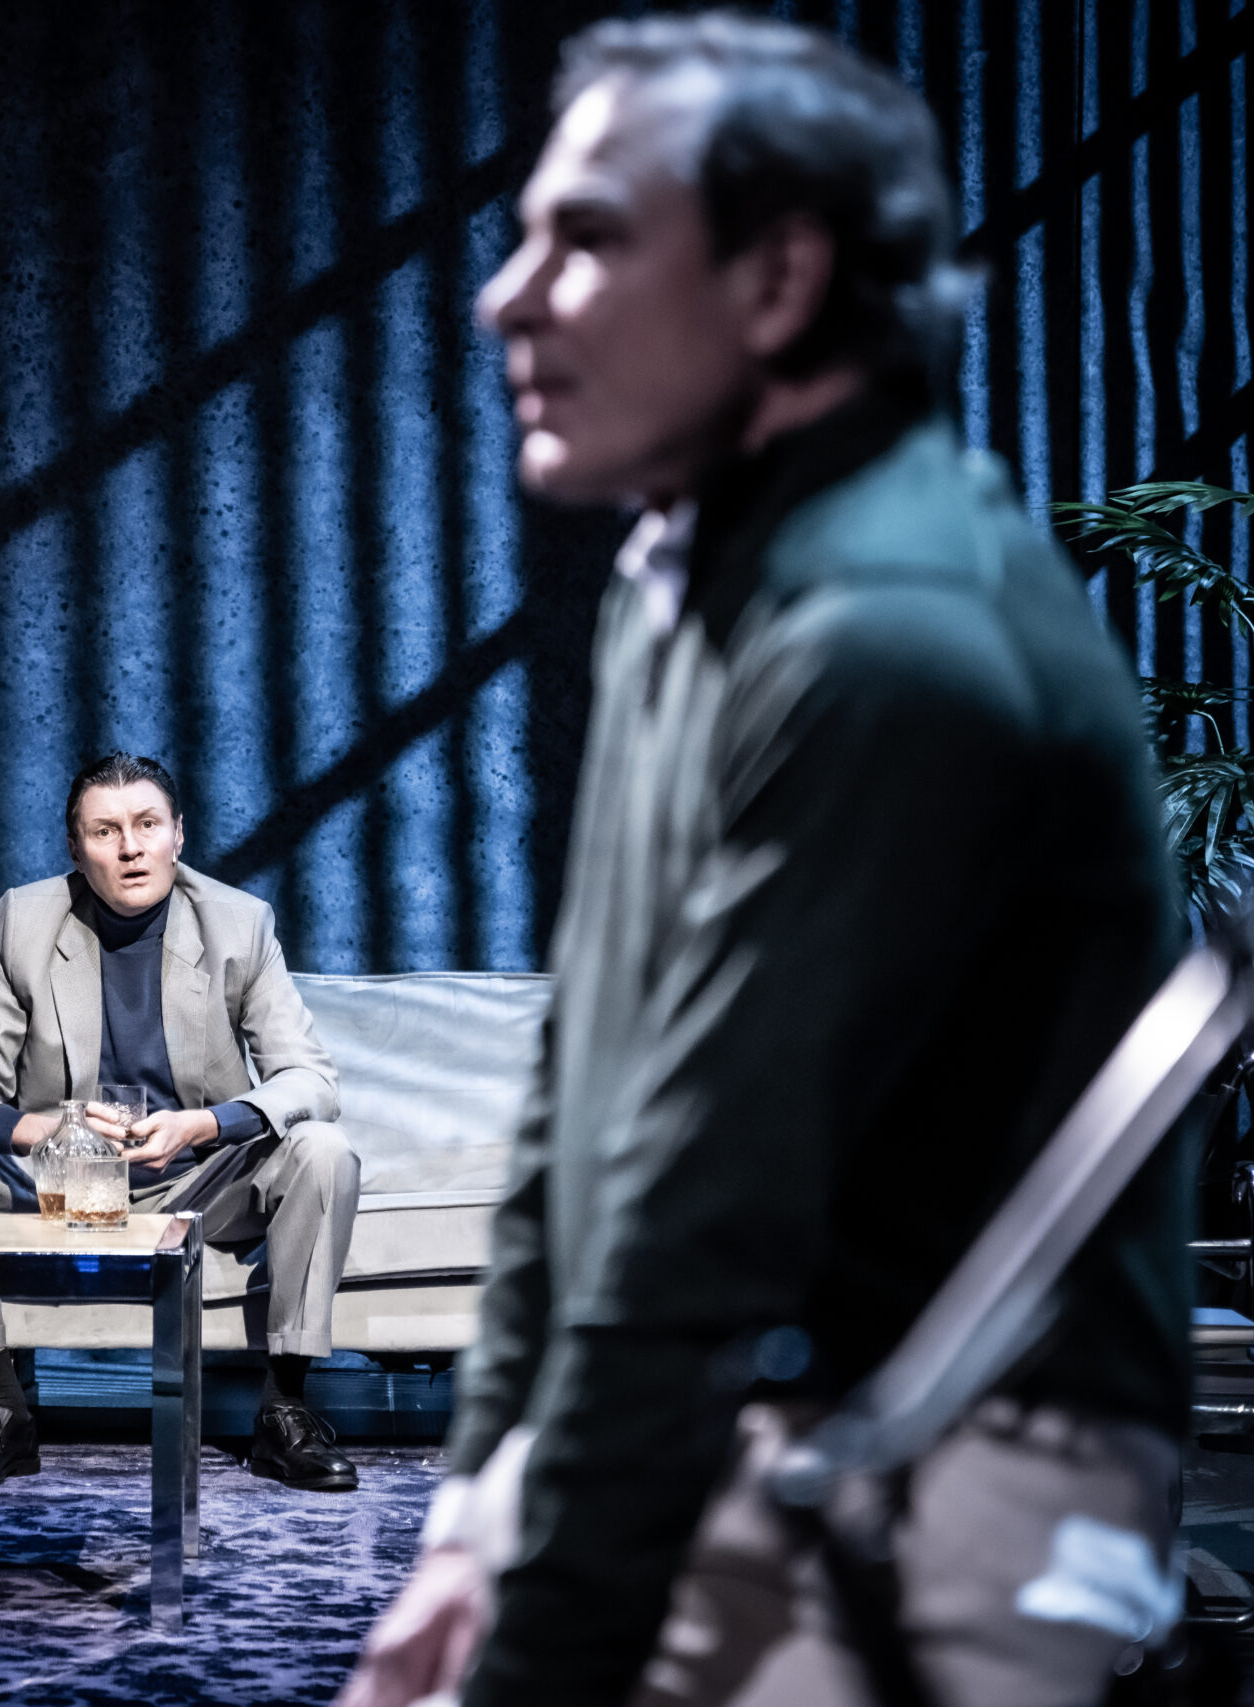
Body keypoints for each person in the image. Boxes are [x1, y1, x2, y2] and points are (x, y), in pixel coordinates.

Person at [344, 15, 1191, 1707]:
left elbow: (697, 1217)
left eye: (587, 239)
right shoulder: (687, 577)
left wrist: (539, 1651)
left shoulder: (882, 640)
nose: (506, 297)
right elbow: (584, 1101)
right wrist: (474, 1499)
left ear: (782, 279)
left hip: (958, 1460)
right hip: (751, 1409)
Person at [0, 750, 364, 1494]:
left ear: (179, 834)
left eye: (147, 825)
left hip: (199, 1183)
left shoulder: (239, 923)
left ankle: (285, 1410)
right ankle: (0, 1409)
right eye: (105, 831)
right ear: (76, 848)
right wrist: (41, 1131)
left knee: (323, 1148)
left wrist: (203, 1125)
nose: (131, 847)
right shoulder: (25, 921)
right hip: (58, 1182)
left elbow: (310, 1079)